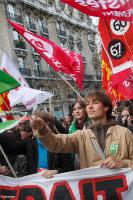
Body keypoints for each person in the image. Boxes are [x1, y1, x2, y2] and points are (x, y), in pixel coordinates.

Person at [30, 91, 133, 170]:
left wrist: (121, 164)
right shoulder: (81, 136)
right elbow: (56, 143)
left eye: (95, 103)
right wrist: (43, 130)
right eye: (87, 104)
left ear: (106, 107)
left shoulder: (124, 133)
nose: (90, 106)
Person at [0, 115, 74, 176]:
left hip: (54, 184)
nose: (34, 126)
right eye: (32, 124)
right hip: (36, 186)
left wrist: (55, 172)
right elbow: (10, 149)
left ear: (47, 125)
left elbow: (70, 169)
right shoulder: (29, 143)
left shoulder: (59, 142)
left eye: (37, 123)